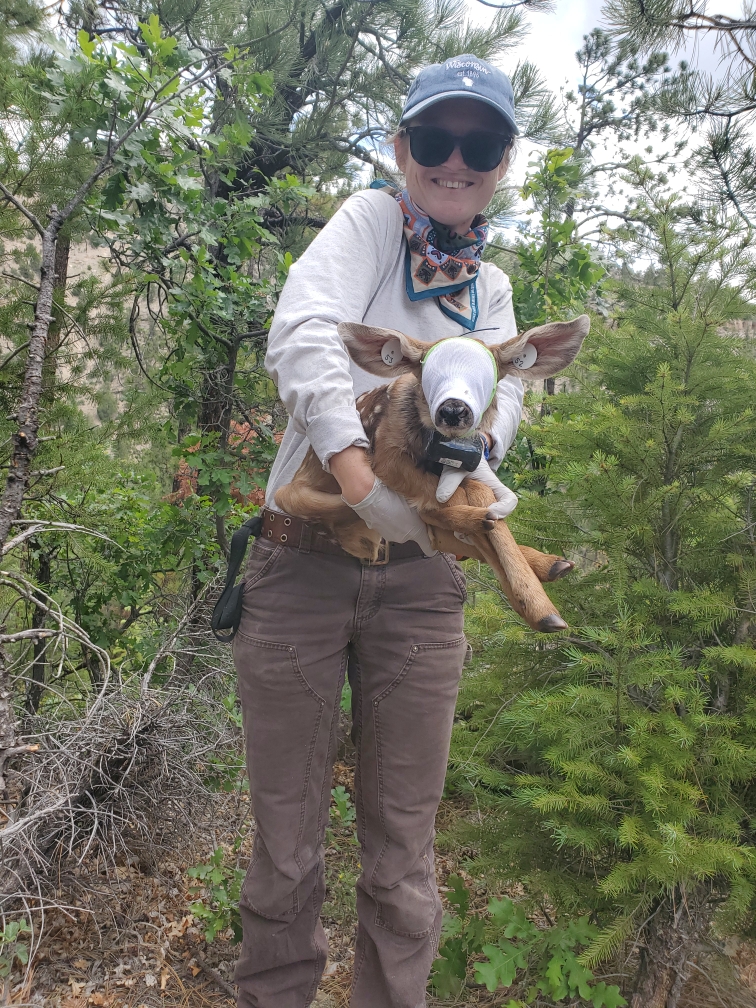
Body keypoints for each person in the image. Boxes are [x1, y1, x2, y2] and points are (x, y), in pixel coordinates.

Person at [233, 54, 523, 1008]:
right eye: (434, 139)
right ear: (402, 148)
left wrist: (466, 464)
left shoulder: (493, 293)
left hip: (420, 588)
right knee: (287, 842)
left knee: (403, 850)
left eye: (478, 144)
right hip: (303, 564)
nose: (454, 160)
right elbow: (304, 332)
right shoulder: (367, 225)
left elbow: (502, 399)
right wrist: (364, 487)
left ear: (500, 160)